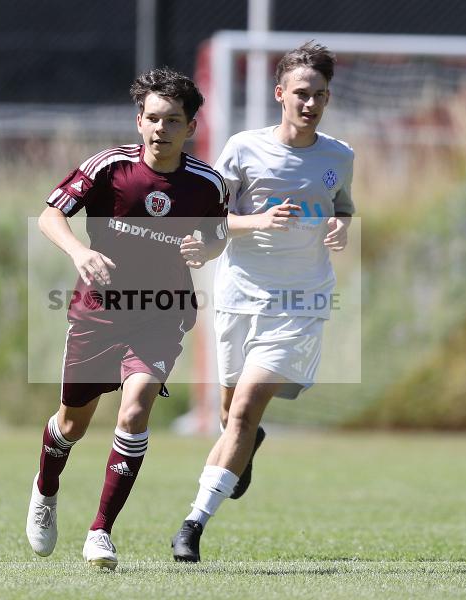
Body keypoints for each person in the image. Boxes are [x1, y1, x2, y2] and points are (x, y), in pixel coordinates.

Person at [26, 67, 228, 570]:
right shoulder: (108, 169)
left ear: (191, 127)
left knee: (135, 409)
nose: (162, 128)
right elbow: (52, 214)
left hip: (162, 313)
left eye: (173, 120)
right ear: (140, 121)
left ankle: (100, 531)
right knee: (71, 424)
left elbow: (219, 234)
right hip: (98, 312)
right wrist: (77, 251)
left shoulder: (207, 184)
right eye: (153, 118)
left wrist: (204, 248)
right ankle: (46, 489)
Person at [171, 41, 355, 562]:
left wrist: (341, 226)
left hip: (299, 302)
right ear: (280, 94)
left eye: (319, 95)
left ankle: (191, 526)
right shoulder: (243, 149)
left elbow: (343, 209)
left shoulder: (339, 157)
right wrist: (254, 222)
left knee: (246, 407)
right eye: (301, 93)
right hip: (239, 295)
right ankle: (244, 446)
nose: (310, 104)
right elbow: (212, 222)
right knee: (233, 413)